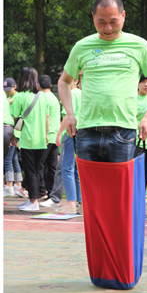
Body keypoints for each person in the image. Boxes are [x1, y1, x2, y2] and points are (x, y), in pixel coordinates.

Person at [57, 0, 147, 164]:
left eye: (113, 21)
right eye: (101, 22)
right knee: (88, 183)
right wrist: (70, 114)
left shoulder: (139, 46)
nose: (108, 28)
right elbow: (64, 81)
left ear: (123, 16)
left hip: (123, 132)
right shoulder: (82, 47)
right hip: (87, 131)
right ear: (93, 17)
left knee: (121, 183)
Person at [11, 67, 49, 211]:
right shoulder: (42, 96)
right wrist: (46, 135)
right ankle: (34, 200)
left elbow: (14, 117)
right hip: (41, 139)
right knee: (37, 170)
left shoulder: (20, 97)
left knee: (30, 171)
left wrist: (13, 136)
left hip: (27, 139)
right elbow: (46, 117)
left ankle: (33, 202)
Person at [55, 75, 82, 214]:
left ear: (75, 81)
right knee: (77, 169)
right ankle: (80, 201)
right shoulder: (83, 93)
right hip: (82, 132)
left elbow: (67, 116)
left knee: (67, 167)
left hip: (71, 132)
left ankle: (71, 202)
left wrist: (59, 133)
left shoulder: (71, 94)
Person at [38, 74, 62, 207]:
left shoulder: (42, 98)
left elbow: (45, 117)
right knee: (52, 167)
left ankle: (41, 190)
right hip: (55, 136)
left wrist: (45, 134)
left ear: (38, 85)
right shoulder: (54, 98)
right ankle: (52, 194)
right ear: (51, 85)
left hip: (45, 136)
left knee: (39, 164)